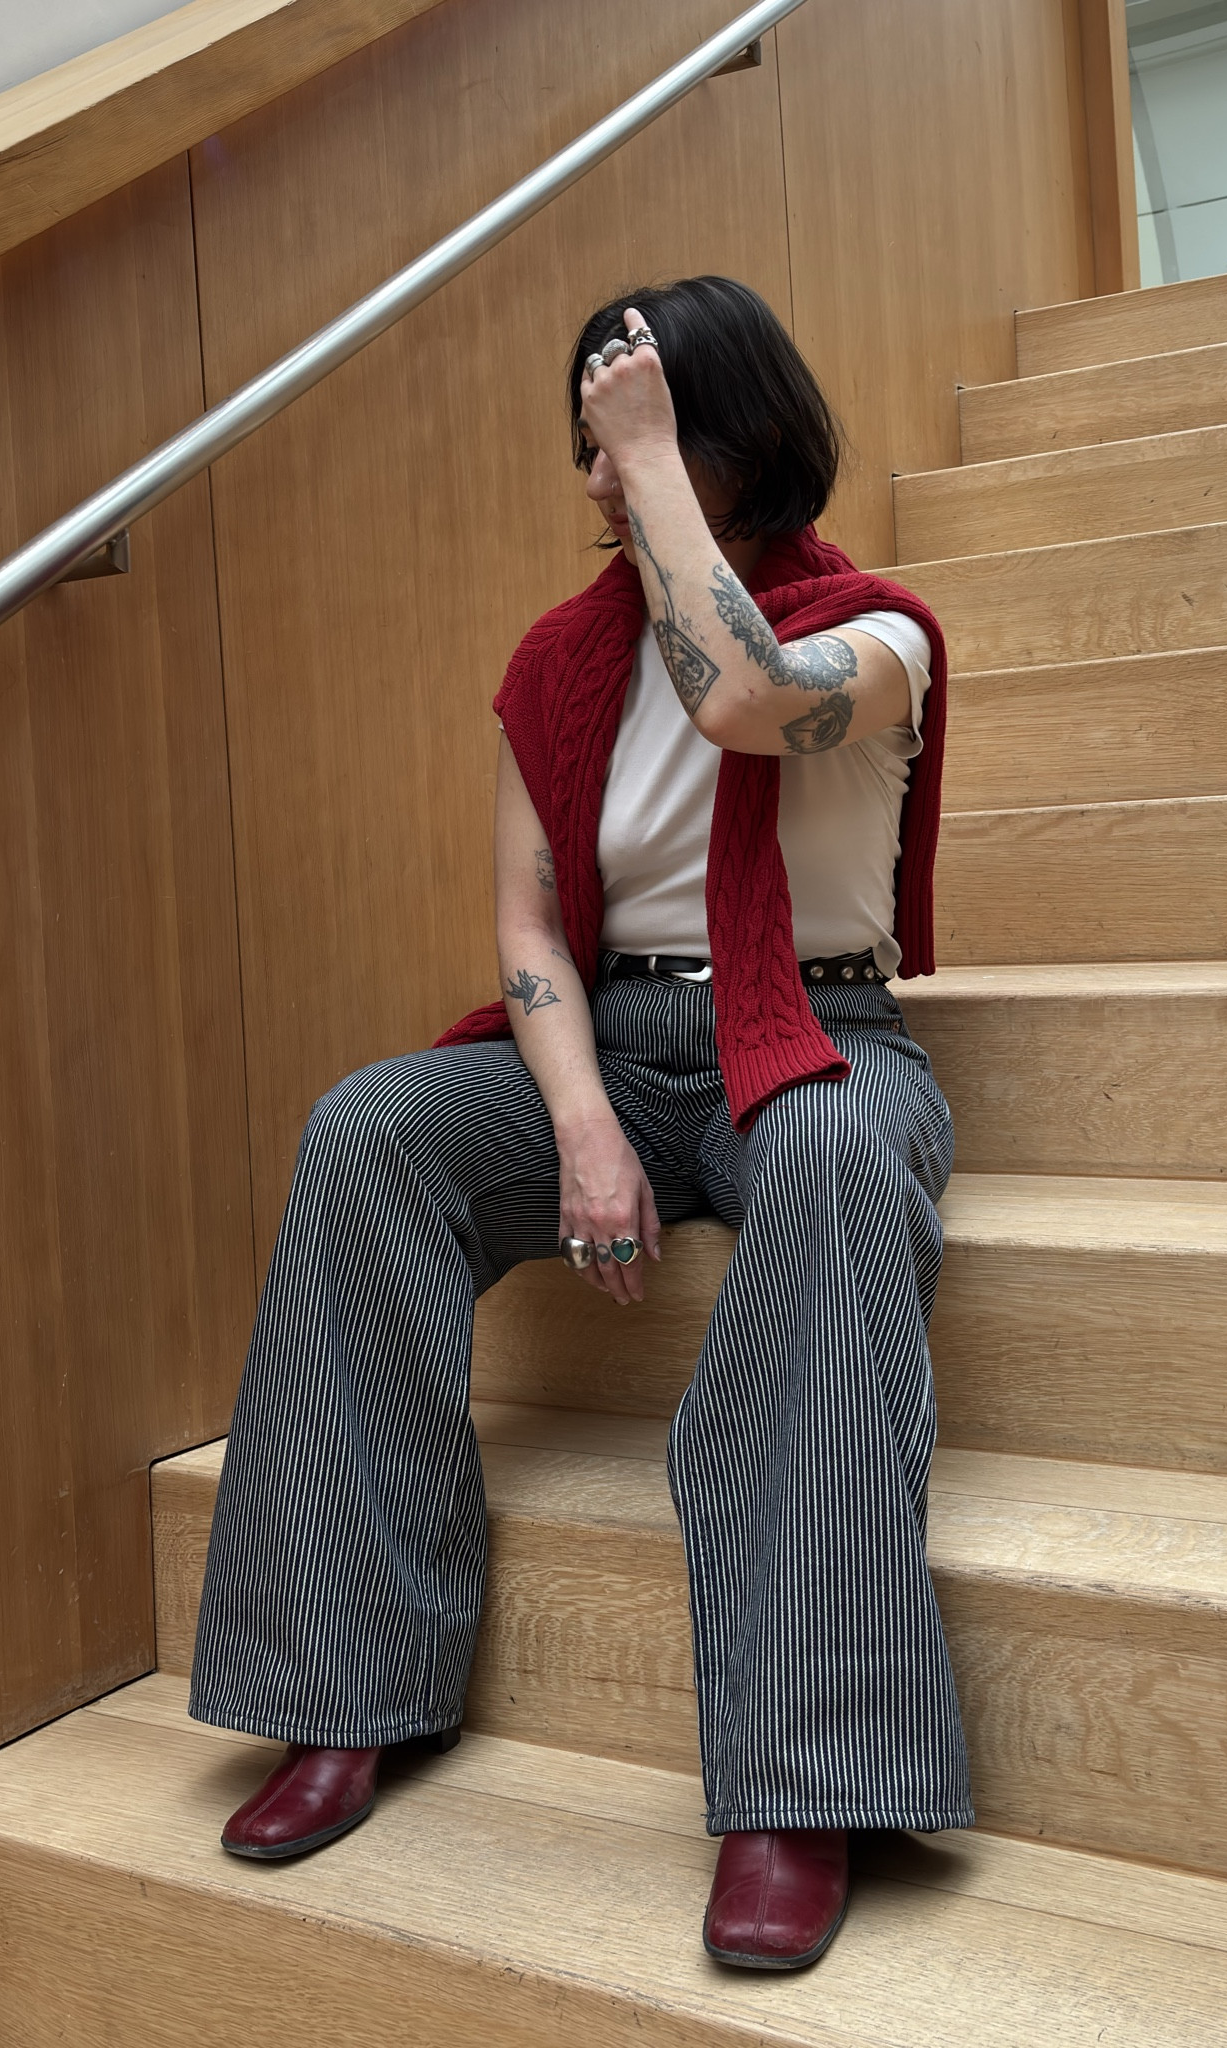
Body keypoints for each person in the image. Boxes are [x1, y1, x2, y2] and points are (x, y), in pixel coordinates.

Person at [189, 275, 972, 1970]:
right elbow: (533, 926)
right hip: (606, 1042)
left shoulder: (879, 633)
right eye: (593, 448)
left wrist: (659, 470)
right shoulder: (554, 664)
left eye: (638, 438)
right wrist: (583, 1125)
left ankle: (805, 1776)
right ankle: (349, 1681)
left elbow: (743, 701)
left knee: (835, 1164)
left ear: (737, 441)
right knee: (368, 1131)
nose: (602, 481)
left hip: (818, 1033)